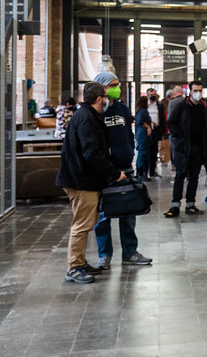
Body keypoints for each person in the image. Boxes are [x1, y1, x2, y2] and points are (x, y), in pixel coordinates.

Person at [55, 81, 126, 284]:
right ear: (99, 99)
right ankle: (74, 267)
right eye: (106, 96)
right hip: (81, 180)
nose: (108, 100)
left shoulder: (87, 115)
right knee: (81, 225)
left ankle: (80, 262)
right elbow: (91, 153)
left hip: (84, 179)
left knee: (85, 223)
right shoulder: (86, 118)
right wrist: (114, 173)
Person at [91, 73, 152, 269]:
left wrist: (129, 150)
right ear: (102, 87)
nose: (117, 88)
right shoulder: (96, 111)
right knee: (102, 215)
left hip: (125, 166)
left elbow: (128, 134)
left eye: (118, 84)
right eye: (113, 85)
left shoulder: (123, 109)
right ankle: (104, 255)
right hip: (104, 170)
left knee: (129, 211)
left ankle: (130, 252)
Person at [165, 80, 207, 217]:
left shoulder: (204, 107)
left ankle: (190, 204)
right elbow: (171, 122)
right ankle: (175, 205)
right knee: (180, 176)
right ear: (190, 91)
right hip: (184, 148)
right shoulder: (181, 106)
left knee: (194, 177)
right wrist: (180, 137)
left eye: (200, 90)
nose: (198, 93)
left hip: (199, 148)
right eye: (195, 90)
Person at [145, 88, 166, 178]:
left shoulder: (159, 105)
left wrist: (163, 132)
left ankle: (152, 171)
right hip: (146, 130)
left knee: (154, 151)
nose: (153, 96)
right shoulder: (145, 105)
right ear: (147, 95)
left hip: (156, 130)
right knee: (146, 151)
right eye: (151, 95)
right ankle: (144, 171)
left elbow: (162, 119)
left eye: (154, 94)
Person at [134, 96, 152, 182]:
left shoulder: (139, 111)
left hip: (141, 134)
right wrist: (148, 126)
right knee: (143, 153)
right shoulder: (143, 111)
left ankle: (140, 173)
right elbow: (140, 122)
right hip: (143, 135)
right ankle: (140, 173)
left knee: (142, 153)